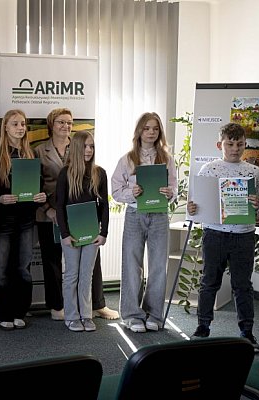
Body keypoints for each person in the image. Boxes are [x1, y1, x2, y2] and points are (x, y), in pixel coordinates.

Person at [187, 122, 259, 353]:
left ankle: (247, 332)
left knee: (243, 286)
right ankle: (202, 327)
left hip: (244, 235)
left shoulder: (253, 171)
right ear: (219, 145)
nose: (235, 149)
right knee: (209, 282)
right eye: (230, 144)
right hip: (214, 234)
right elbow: (196, 203)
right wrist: (192, 209)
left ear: (245, 145)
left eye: (239, 144)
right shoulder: (209, 170)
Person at [35, 108, 119, 321]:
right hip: (50, 213)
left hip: (81, 216)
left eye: (69, 123)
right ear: (51, 125)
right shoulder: (39, 151)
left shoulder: (81, 145)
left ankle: (96, 304)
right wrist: (49, 209)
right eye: (61, 122)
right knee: (53, 261)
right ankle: (57, 306)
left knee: (91, 263)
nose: (66, 126)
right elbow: (35, 184)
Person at [111, 112, 177, 333]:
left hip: (159, 215)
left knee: (158, 266)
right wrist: (132, 192)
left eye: (155, 129)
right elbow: (116, 191)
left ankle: (154, 315)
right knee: (132, 265)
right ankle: (132, 315)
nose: (151, 132)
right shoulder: (127, 159)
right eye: (147, 128)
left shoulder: (167, 159)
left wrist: (169, 193)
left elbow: (174, 188)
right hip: (134, 214)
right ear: (139, 131)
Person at [0, 109, 47, 331]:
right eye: (15, 124)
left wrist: (41, 197)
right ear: (5, 127)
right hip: (3, 221)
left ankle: (19, 311)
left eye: (23, 124)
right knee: (2, 269)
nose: (20, 128)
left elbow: (40, 187)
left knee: (23, 268)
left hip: (25, 220)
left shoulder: (32, 155)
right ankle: (4, 313)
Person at [55, 131, 109, 333]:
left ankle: (86, 315)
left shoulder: (99, 173)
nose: (89, 150)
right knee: (71, 275)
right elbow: (60, 206)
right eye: (85, 146)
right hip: (71, 233)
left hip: (92, 233)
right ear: (77, 148)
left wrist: (103, 233)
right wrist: (64, 234)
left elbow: (104, 206)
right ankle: (71, 316)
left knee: (87, 275)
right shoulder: (65, 174)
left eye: (92, 146)